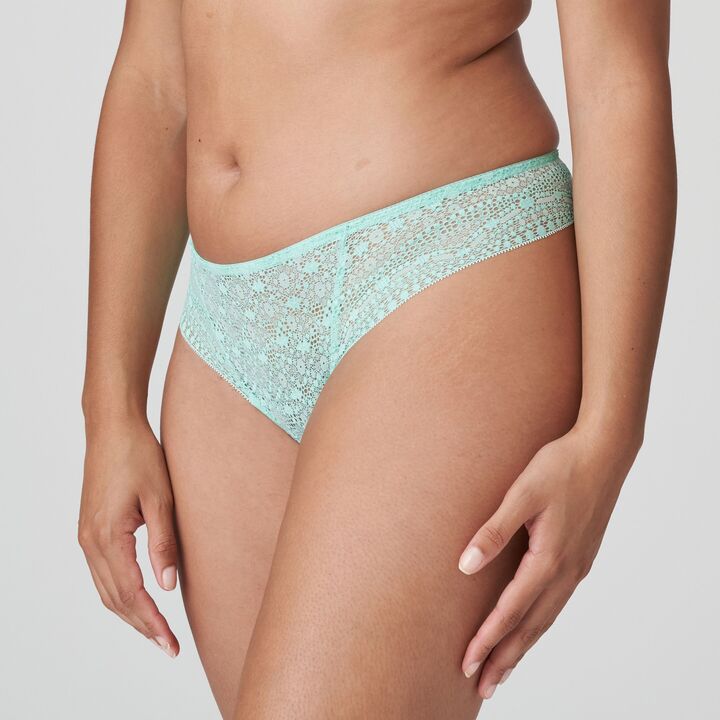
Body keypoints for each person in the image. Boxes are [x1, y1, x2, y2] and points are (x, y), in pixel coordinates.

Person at [78, 1, 676, 717]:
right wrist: (109, 408)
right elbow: (153, 76)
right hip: (223, 333)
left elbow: (617, 78)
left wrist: (610, 435)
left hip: (443, 264)